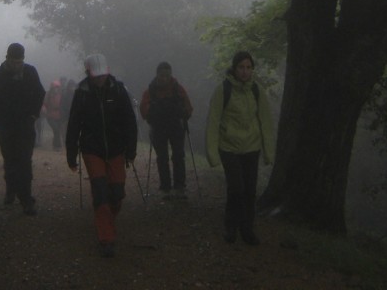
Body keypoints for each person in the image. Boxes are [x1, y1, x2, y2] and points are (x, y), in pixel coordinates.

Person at [66, 54, 138, 257]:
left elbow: (129, 121)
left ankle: (106, 221)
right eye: (96, 76)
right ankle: (106, 238)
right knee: (100, 191)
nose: (100, 79)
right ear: (88, 73)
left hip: (116, 149)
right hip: (92, 149)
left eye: (102, 75)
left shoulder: (118, 90)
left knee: (117, 193)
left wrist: (131, 150)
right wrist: (71, 155)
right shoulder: (82, 93)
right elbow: (74, 125)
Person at [205, 51, 275, 246]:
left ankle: (247, 230)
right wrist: (212, 153)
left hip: (252, 147)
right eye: (241, 67)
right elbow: (213, 121)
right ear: (234, 69)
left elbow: (266, 121)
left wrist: (269, 152)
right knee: (236, 188)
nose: (245, 72)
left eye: (248, 67)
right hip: (229, 147)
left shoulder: (256, 91)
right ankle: (231, 227)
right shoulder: (223, 90)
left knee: (250, 191)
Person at [0, 42, 46, 215]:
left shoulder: (30, 72)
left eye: (20, 62)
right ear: (7, 59)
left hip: (25, 124)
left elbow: (40, 92)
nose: (17, 65)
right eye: (14, 62)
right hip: (4, 125)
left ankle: (26, 198)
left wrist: (34, 114)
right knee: (10, 160)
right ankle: (11, 189)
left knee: (25, 160)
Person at [139, 61, 193, 196]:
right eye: (162, 75)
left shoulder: (177, 89)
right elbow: (143, 109)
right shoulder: (150, 90)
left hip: (175, 127)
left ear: (170, 75)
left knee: (178, 156)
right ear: (157, 75)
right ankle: (166, 188)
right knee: (162, 157)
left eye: (167, 76)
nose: (164, 78)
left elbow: (188, 108)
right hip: (159, 128)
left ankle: (179, 186)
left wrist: (183, 114)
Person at [44, 80, 65, 150]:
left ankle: (56, 145)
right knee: (56, 129)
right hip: (50, 115)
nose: (56, 89)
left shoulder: (61, 94)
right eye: (55, 87)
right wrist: (44, 109)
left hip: (58, 115)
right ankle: (57, 145)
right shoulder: (48, 94)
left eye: (57, 87)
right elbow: (44, 103)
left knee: (57, 130)